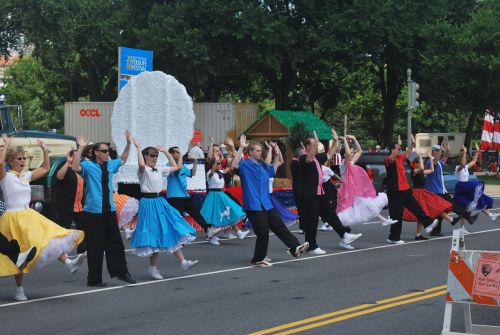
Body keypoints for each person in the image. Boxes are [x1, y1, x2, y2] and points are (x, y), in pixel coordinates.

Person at [0, 134, 85, 301]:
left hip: (28, 215)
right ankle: (19, 289)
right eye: (19, 158)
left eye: (24, 158)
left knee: (48, 236)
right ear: (11, 161)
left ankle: (68, 262)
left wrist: (44, 150)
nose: (23, 161)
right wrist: (6, 145)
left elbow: (46, 168)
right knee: (18, 252)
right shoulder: (5, 177)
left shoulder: (26, 176)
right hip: (12, 217)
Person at [232, 135, 309, 268]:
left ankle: (294, 247)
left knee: (279, 226)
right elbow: (234, 165)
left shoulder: (262, 166)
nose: (260, 152)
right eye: (257, 150)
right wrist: (241, 148)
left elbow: (273, 169)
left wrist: (276, 152)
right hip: (253, 205)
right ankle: (257, 260)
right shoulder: (245, 164)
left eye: (260, 150)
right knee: (262, 231)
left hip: (266, 203)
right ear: (250, 152)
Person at [72, 132, 136, 287]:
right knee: (95, 247)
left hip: (109, 212)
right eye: (105, 151)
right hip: (93, 214)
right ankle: (94, 279)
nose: (108, 153)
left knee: (116, 244)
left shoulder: (110, 165)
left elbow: (123, 159)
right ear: (96, 153)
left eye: (108, 151)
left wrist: (128, 143)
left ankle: (121, 273)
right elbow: (74, 166)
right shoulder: (88, 166)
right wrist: (80, 148)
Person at [131, 141, 198, 279]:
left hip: (159, 201)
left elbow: (177, 166)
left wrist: (166, 152)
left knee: (170, 228)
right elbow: (141, 165)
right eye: (152, 155)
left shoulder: (160, 168)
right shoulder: (142, 170)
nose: (155, 158)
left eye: (156, 155)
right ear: (145, 157)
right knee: (155, 234)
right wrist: (138, 148)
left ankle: (183, 261)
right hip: (148, 203)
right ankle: (153, 268)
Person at [297, 130, 362, 253]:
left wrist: (336, 141)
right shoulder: (304, 158)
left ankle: (344, 235)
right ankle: (312, 246)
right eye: (314, 145)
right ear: (308, 147)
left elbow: (329, 154)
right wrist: (315, 143)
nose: (317, 146)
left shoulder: (316, 158)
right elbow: (309, 158)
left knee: (330, 214)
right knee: (313, 221)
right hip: (309, 195)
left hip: (319, 193)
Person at [385, 135, 438, 244]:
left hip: (405, 189)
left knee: (416, 207)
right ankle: (393, 237)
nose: (400, 150)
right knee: (396, 215)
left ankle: (428, 223)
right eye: (398, 149)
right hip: (395, 191)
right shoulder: (388, 159)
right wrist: (398, 146)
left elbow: (408, 152)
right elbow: (391, 158)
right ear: (392, 150)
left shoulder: (400, 158)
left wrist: (413, 143)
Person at [336, 135, 397, 228]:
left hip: (354, 191)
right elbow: (348, 154)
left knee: (367, 205)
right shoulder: (344, 164)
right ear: (344, 155)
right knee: (344, 211)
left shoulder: (351, 162)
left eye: (352, 152)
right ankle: (331, 224)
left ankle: (384, 220)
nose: (352, 154)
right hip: (347, 192)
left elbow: (359, 151)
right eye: (351, 152)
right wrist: (345, 141)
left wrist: (355, 139)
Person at [166, 146, 221, 242]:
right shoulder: (169, 165)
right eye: (177, 152)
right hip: (174, 196)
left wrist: (195, 161)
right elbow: (177, 170)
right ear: (171, 154)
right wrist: (181, 157)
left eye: (179, 152)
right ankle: (178, 238)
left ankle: (208, 230)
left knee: (196, 213)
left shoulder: (182, 166)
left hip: (184, 195)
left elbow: (192, 173)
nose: (179, 154)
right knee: (178, 217)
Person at [424, 143, 473, 236]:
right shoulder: (430, 161)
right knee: (452, 206)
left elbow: (445, 158)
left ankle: (436, 231)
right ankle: (466, 216)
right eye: (438, 151)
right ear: (434, 152)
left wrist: (447, 151)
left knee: (441, 210)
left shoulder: (438, 161)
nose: (440, 153)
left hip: (440, 190)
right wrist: (437, 152)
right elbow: (435, 161)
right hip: (435, 191)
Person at [403, 153, 454, 240]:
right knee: (425, 211)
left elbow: (432, 170)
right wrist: (420, 156)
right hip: (418, 193)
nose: (421, 163)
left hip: (423, 192)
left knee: (427, 210)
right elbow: (422, 168)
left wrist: (430, 158)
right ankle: (448, 219)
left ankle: (418, 234)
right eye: (420, 162)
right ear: (415, 164)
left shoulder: (421, 172)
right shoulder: (414, 171)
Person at [200, 156, 249, 245]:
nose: (220, 165)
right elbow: (212, 172)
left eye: (220, 163)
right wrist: (214, 163)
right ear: (213, 165)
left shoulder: (220, 172)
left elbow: (231, 166)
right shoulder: (209, 173)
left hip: (221, 195)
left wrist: (236, 153)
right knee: (215, 216)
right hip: (214, 196)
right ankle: (212, 236)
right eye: (218, 163)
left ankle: (239, 232)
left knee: (231, 212)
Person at [453, 144, 499, 232]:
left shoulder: (465, 167)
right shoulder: (458, 167)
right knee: (467, 207)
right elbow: (463, 164)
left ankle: (491, 215)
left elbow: (474, 161)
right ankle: (462, 227)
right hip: (462, 189)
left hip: (467, 188)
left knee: (479, 200)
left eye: (465, 157)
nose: (465, 159)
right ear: (460, 159)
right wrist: (465, 152)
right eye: (464, 158)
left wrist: (477, 151)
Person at [54, 149, 86, 254]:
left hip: (79, 205)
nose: (78, 158)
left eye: (79, 156)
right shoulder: (66, 168)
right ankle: (59, 250)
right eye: (75, 156)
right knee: (64, 228)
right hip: (66, 205)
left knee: (83, 227)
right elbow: (59, 176)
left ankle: (82, 248)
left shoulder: (81, 170)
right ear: (71, 157)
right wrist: (68, 162)